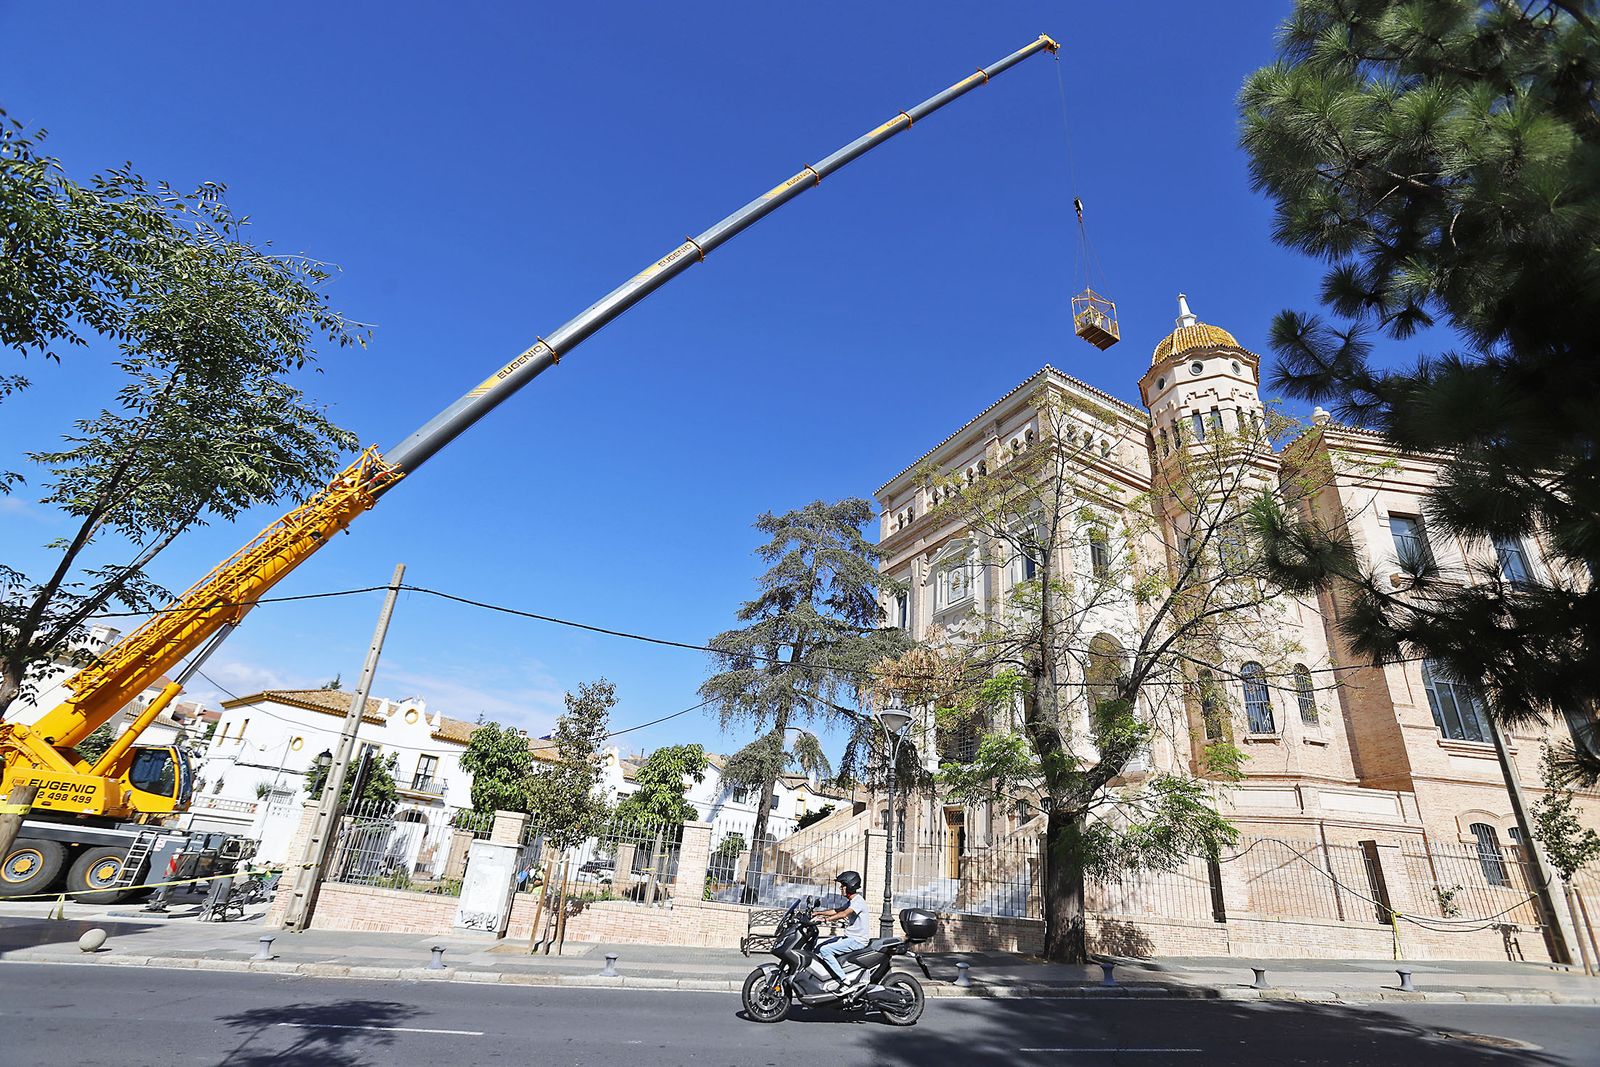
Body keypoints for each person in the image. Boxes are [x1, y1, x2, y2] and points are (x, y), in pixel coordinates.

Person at [813, 870, 873, 983]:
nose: (840, 888)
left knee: (825, 950)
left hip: (857, 940)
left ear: (850, 886)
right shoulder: (852, 901)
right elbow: (837, 911)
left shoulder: (858, 902)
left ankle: (844, 980)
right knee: (818, 945)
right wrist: (817, 913)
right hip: (850, 938)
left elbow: (844, 914)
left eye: (843, 885)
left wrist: (825, 920)